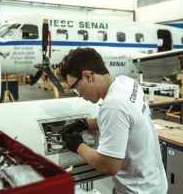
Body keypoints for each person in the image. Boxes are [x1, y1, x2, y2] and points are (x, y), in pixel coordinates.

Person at [59, 47, 168, 194]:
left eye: (76, 88)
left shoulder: (113, 105)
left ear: (88, 76)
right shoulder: (127, 83)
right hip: (154, 182)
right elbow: (125, 121)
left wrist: (78, 145)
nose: (79, 95)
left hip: (137, 190)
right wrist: (84, 124)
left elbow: (109, 166)